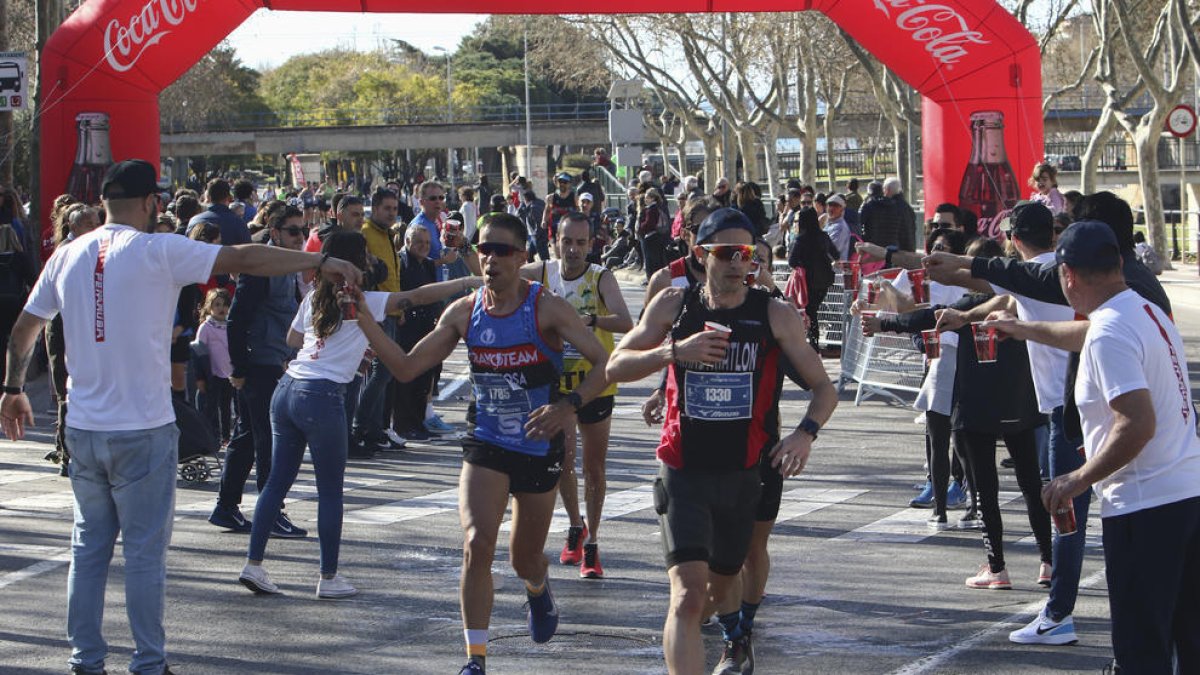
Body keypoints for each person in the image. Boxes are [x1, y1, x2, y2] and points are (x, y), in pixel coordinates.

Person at [0, 159, 362, 675]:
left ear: (104, 202)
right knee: (144, 556)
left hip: (82, 426)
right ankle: (148, 664)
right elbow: (245, 257)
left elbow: (23, 329)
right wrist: (318, 259)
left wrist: (13, 388)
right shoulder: (158, 250)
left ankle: (86, 661)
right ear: (150, 203)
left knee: (88, 548)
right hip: (143, 427)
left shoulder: (67, 254)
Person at [348, 214, 611, 675]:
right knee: (476, 543)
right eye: (484, 248)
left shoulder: (546, 308)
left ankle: (536, 587)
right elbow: (408, 368)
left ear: (522, 258)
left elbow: (604, 362)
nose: (490, 259)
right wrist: (365, 319)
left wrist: (568, 406)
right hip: (486, 442)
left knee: (524, 558)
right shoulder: (465, 311)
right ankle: (476, 659)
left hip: (536, 445)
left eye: (502, 251)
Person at [605, 208, 837, 675]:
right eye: (726, 253)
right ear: (700, 255)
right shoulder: (674, 304)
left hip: (743, 472)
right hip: (682, 467)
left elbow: (824, 388)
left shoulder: (774, 313)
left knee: (723, 582)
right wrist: (673, 352)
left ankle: (738, 635)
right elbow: (616, 364)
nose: (738, 263)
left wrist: (803, 435)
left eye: (746, 253)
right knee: (688, 597)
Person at [992, 220, 1200, 673]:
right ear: (1118, 263)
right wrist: (1023, 329)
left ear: (1067, 275)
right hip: (1186, 495)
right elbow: (1087, 336)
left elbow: (1137, 424)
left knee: (1141, 649)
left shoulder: (1110, 332)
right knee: (1188, 640)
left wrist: (1077, 479)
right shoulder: (1143, 311)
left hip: (1146, 507)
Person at [238, 231, 480, 599]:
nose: (368, 261)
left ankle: (253, 565)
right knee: (330, 490)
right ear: (353, 262)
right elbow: (415, 297)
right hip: (322, 395)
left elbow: (291, 339)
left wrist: (334, 344)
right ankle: (329, 576)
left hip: (287, 388)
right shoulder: (367, 301)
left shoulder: (315, 299)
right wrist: (465, 282)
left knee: (276, 482)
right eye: (364, 256)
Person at [521, 213, 633, 578]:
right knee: (564, 462)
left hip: (597, 383)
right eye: (567, 241)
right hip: (559, 384)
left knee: (594, 469)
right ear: (555, 240)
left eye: (581, 243)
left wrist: (590, 320)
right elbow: (498, 275)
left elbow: (624, 320)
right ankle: (575, 524)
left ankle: (593, 544)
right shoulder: (541, 272)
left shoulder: (600, 276)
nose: (573, 250)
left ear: (591, 244)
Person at [209, 205, 311, 536]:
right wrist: (238, 368)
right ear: (274, 229)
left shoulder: (285, 265)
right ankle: (271, 512)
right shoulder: (262, 266)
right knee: (270, 439)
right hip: (258, 362)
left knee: (248, 435)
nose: (300, 237)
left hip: (273, 358)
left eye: (303, 230)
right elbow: (237, 319)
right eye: (293, 231)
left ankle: (226, 506)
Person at [353, 189, 408, 454]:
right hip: (375, 310)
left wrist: (400, 308)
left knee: (384, 375)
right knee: (381, 372)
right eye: (386, 208)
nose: (391, 213)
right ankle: (361, 425)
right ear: (374, 208)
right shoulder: (364, 233)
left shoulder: (388, 234)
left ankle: (373, 427)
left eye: (394, 208)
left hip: (391, 310)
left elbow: (393, 274)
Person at [788, 208, 839, 352]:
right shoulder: (823, 236)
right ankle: (814, 342)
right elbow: (835, 253)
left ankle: (813, 343)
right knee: (813, 311)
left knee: (810, 311)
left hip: (807, 280)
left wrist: (802, 265)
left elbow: (792, 261)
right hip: (824, 279)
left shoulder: (801, 239)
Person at [194, 288, 235, 444]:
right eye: (217, 304)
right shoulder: (206, 327)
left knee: (226, 406)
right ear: (209, 307)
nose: (221, 308)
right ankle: (211, 436)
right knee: (210, 408)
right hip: (212, 374)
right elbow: (198, 352)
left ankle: (225, 436)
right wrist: (200, 377)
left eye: (225, 305)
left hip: (229, 373)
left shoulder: (230, 325)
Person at [188, 178, 251, 246]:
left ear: (208, 197)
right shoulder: (239, 223)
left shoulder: (194, 221)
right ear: (229, 197)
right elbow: (248, 252)